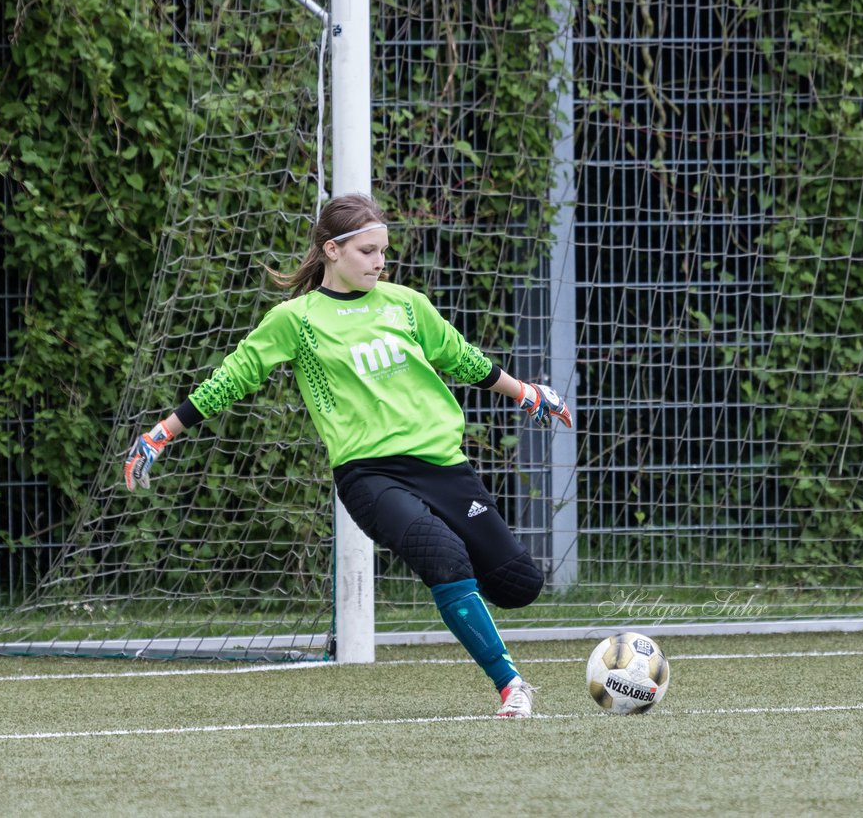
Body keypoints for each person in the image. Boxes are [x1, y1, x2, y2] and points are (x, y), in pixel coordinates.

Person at [124, 193, 573, 718]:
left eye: (384, 251)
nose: (379, 262)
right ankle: (511, 686)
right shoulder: (298, 319)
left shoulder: (407, 304)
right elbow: (233, 377)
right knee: (443, 558)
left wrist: (527, 394)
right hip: (369, 475)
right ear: (331, 250)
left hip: (443, 466)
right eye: (367, 251)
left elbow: (461, 358)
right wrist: (162, 433)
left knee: (520, 585)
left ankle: (460, 574)